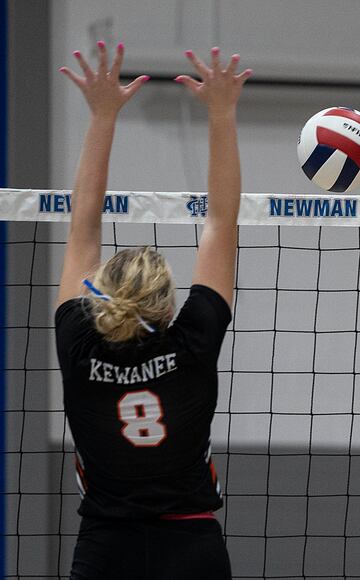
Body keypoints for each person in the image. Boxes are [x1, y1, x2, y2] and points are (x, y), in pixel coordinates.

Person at [55, 42, 251, 580]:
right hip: (191, 546)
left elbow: (82, 225)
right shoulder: (191, 344)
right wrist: (221, 114)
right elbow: (221, 221)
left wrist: (100, 116)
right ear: (168, 305)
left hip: (104, 549)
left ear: (98, 295)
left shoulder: (77, 343)